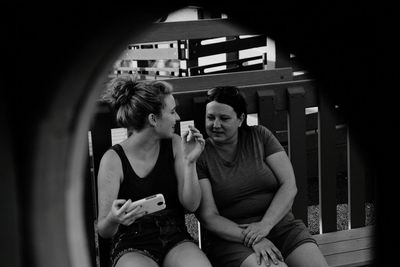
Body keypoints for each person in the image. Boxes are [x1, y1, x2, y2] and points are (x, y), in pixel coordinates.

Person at [196, 86, 329, 267]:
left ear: (241, 119)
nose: (216, 124)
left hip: (280, 226)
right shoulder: (201, 155)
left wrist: (265, 225)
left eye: (224, 118)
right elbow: (209, 217)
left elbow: (288, 184)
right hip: (232, 238)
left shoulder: (260, 136)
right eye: (210, 117)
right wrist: (255, 238)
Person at [97, 75, 212, 267]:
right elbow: (103, 229)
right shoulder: (114, 159)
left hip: (175, 236)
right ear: (153, 119)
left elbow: (191, 205)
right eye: (172, 112)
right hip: (132, 243)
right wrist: (113, 218)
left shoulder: (175, 144)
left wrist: (190, 162)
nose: (178, 117)